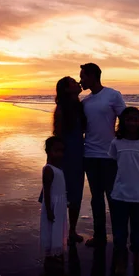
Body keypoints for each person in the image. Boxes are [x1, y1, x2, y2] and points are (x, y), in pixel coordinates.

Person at [79, 63, 126, 247]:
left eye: (83, 76)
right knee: (96, 198)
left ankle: (118, 237)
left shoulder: (113, 95)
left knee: (113, 198)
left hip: (109, 156)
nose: (80, 80)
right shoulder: (85, 102)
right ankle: (99, 236)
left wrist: (122, 146)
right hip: (89, 155)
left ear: (92, 76)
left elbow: (125, 120)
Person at [108, 107, 139, 276]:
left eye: (136, 119)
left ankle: (136, 260)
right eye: (129, 119)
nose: (132, 122)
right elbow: (112, 164)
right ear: (123, 122)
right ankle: (120, 261)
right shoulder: (116, 143)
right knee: (119, 231)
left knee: (137, 229)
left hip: (138, 195)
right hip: (119, 194)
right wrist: (113, 184)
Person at [53, 76, 86, 244]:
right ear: (66, 89)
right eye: (73, 82)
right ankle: (58, 229)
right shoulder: (61, 109)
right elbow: (57, 135)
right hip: (65, 155)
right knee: (60, 193)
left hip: (78, 154)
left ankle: (72, 230)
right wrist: (55, 160)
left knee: (75, 193)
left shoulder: (80, 107)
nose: (78, 83)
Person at [40, 136, 68, 264]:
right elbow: (46, 191)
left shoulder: (58, 168)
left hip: (59, 204)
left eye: (62, 151)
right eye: (56, 151)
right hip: (52, 205)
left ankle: (56, 251)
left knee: (58, 227)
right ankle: (52, 253)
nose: (59, 154)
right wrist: (49, 210)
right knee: (52, 228)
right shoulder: (48, 170)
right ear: (48, 151)